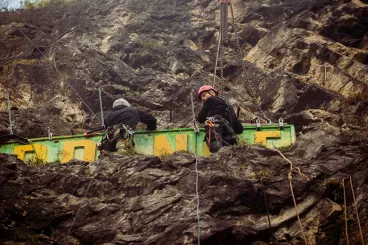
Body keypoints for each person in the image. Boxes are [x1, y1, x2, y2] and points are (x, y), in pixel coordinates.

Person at [197, 85, 243, 153]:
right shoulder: (228, 107)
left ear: (212, 93)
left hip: (214, 123)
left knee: (215, 143)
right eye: (201, 97)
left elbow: (200, 118)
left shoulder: (210, 100)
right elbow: (239, 129)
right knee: (228, 147)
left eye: (203, 95)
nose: (203, 99)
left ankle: (218, 159)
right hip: (227, 128)